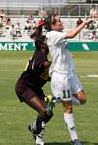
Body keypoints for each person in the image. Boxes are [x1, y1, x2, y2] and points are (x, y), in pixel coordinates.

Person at [32, 14, 93, 145]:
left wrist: (68, 53)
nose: (61, 22)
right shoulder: (52, 34)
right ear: (52, 26)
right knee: (68, 107)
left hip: (71, 74)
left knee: (83, 99)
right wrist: (84, 23)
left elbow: (62, 45)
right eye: (59, 21)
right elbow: (71, 35)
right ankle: (74, 139)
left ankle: (56, 99)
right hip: (61, 76)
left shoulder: (58, 34)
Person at [15, 33, 56, 145]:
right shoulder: (39, 54)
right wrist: (57, 63)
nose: (50, 42)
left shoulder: (44, 56)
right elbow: (42, 64)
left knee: (48, 113)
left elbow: (49, 77)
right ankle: (39, 140)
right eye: (47, 41)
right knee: (43, 111)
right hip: (24, 87)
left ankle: (34, 127)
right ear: (42, 45)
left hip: (35, 88)